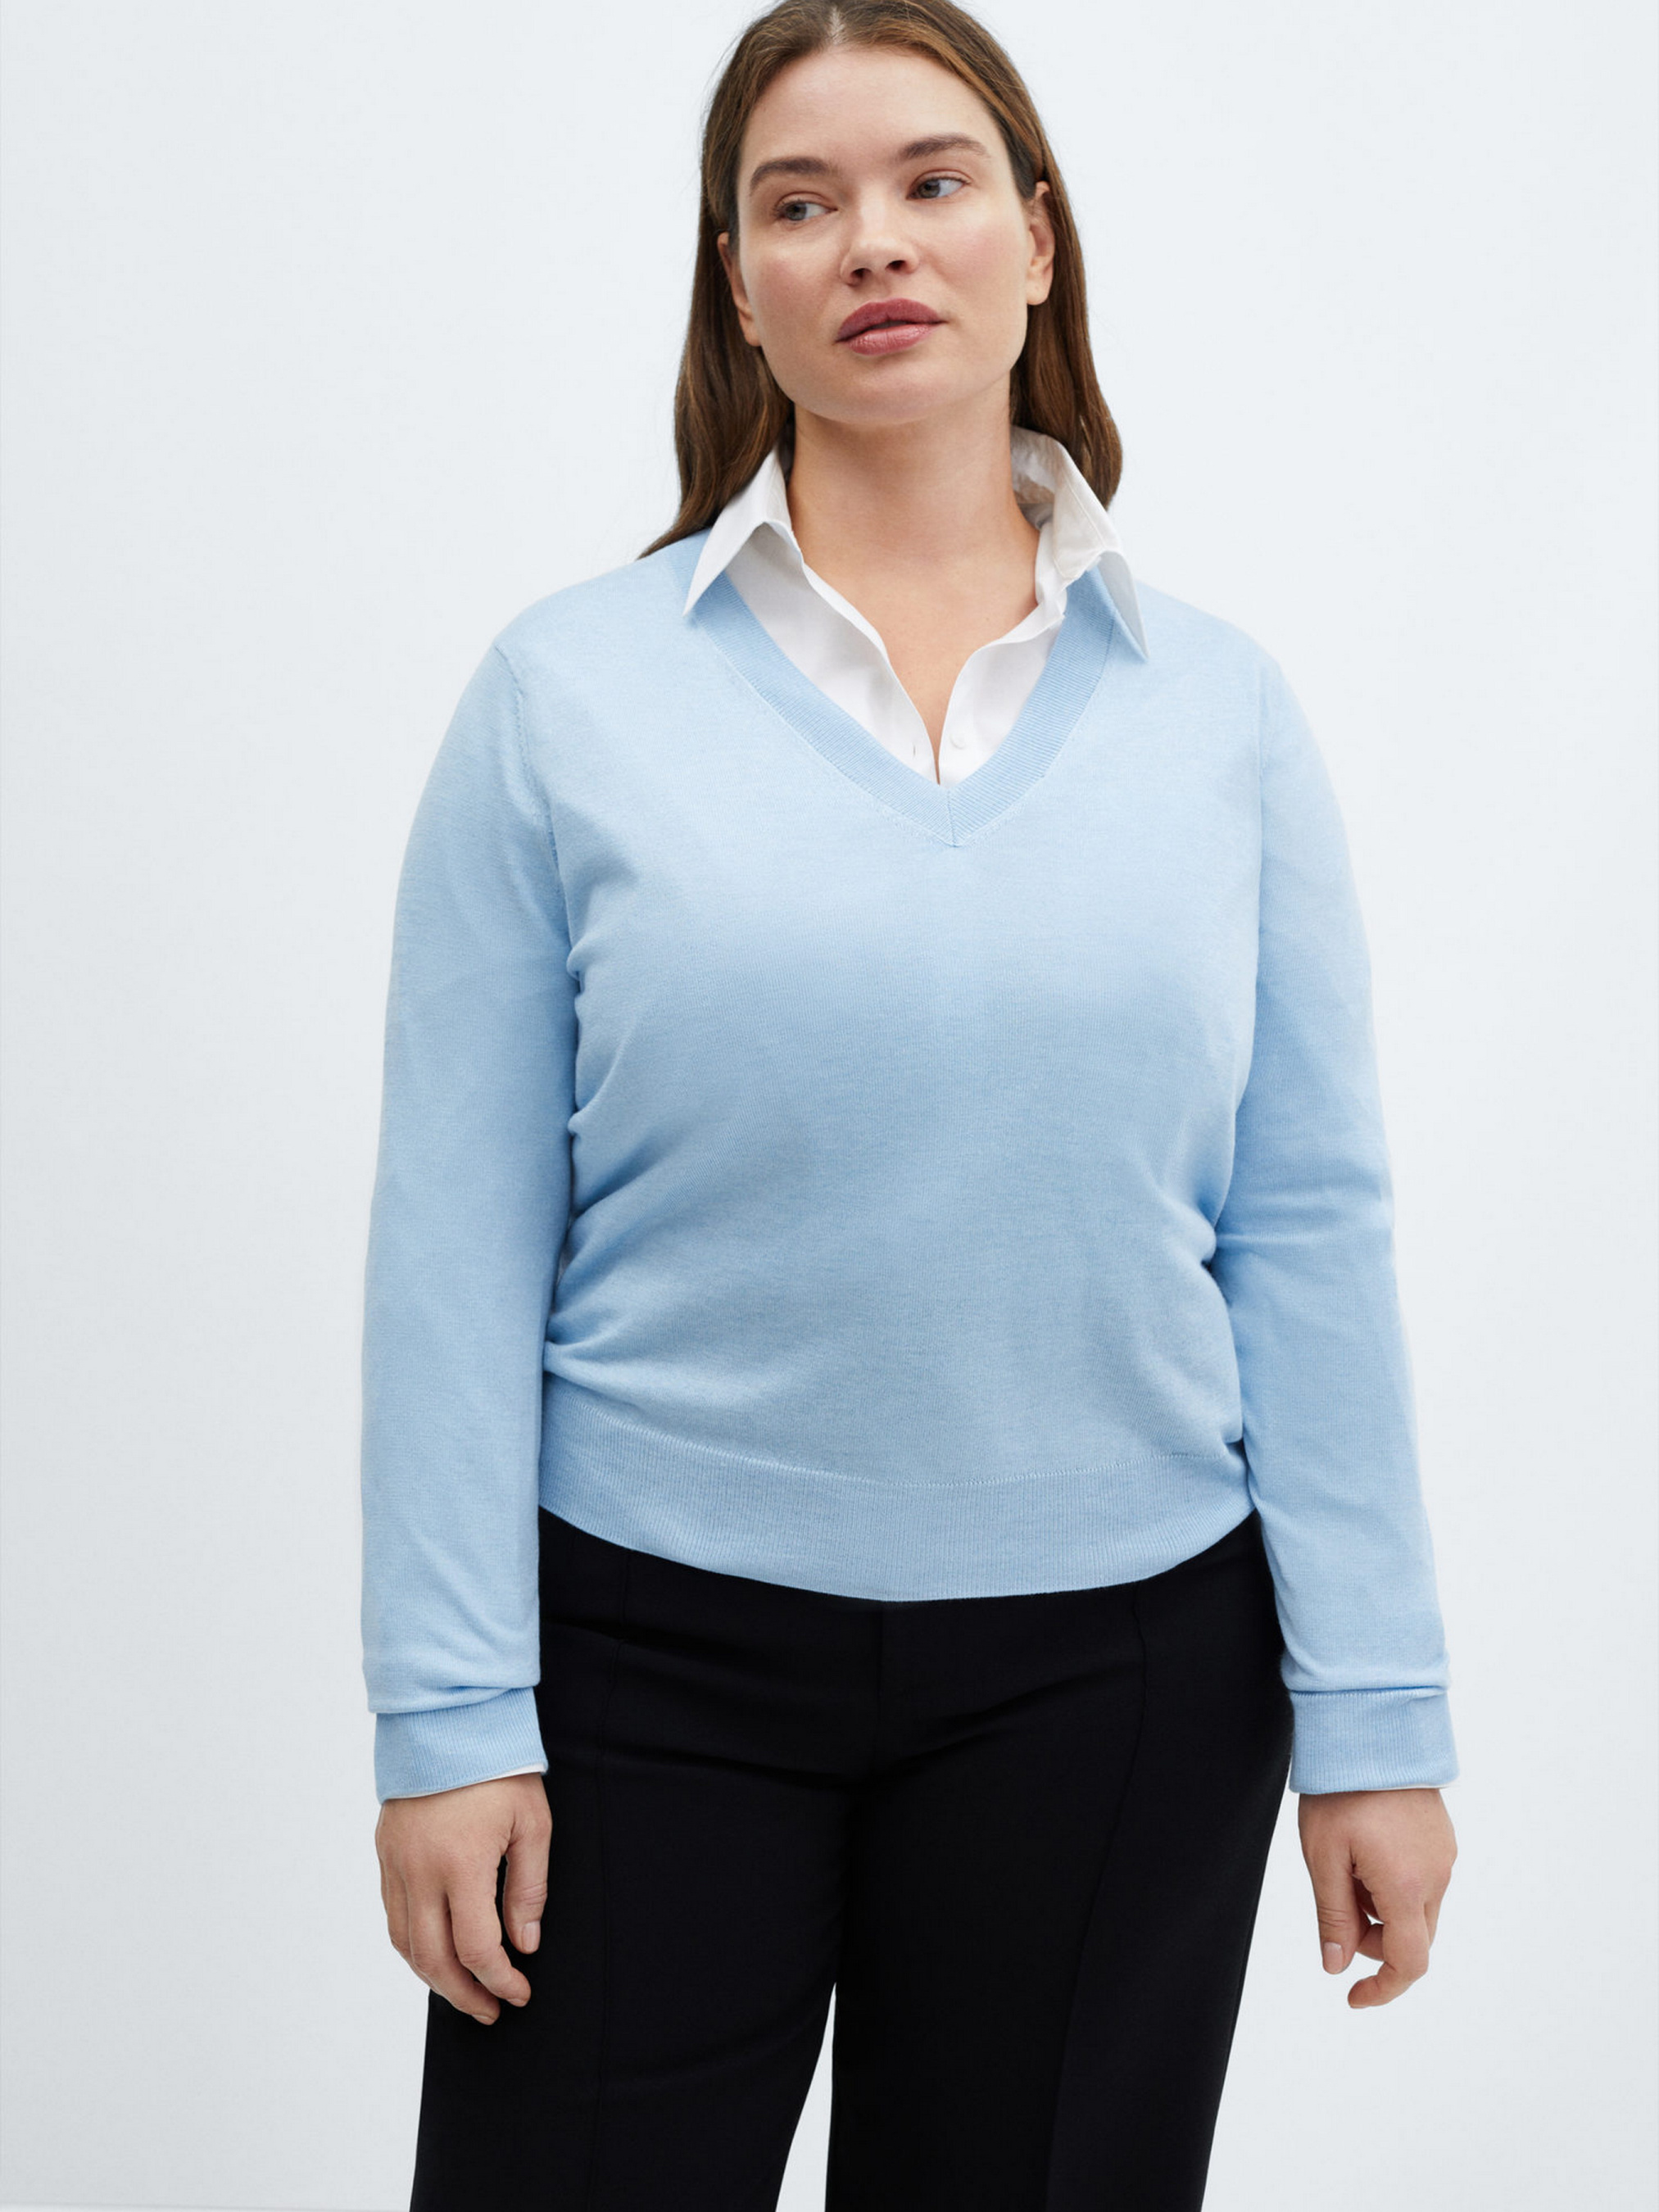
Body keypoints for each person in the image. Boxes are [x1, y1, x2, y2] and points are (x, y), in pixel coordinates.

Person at [361, 2, 1460, 2205]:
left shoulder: (1220, 715)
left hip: (1121, 1678)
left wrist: (1378, 1716)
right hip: (641, 1659)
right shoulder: (564, 698)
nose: (872, 239)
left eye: (932, 181)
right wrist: (448, 1718)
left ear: (1035, 243)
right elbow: (456, 1243)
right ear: (739, 283)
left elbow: (1305, 1224)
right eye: (800, 202)